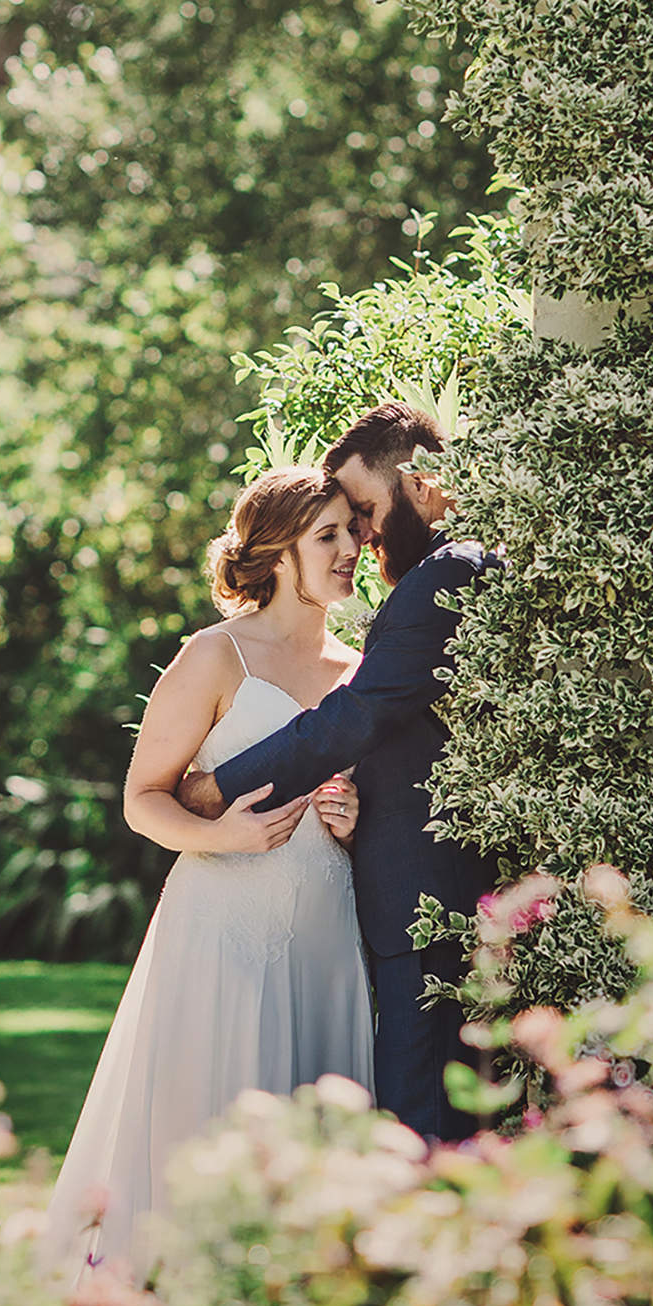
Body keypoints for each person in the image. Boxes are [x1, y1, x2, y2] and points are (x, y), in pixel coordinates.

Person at [40, 466, 371, 1281]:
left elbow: (372, 803)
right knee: (206, 1125)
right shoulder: (216, 655)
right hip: (222, 925)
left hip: (327, 931)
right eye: (327, 535)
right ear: (279, 551)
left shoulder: (361, 670)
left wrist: (356, 821)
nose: (350, 549)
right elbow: (142, 800)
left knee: (313, 1138)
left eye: (353, 532)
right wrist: (223, 835)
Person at [180, 400, 497, 1143]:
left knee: (423, 1131)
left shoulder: (448, 571)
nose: (361, 534)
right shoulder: (429, 577)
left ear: (421, 487)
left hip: (427, 904)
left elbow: (356, 718)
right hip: (392, 908)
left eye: (363, 509)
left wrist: (214, 786)